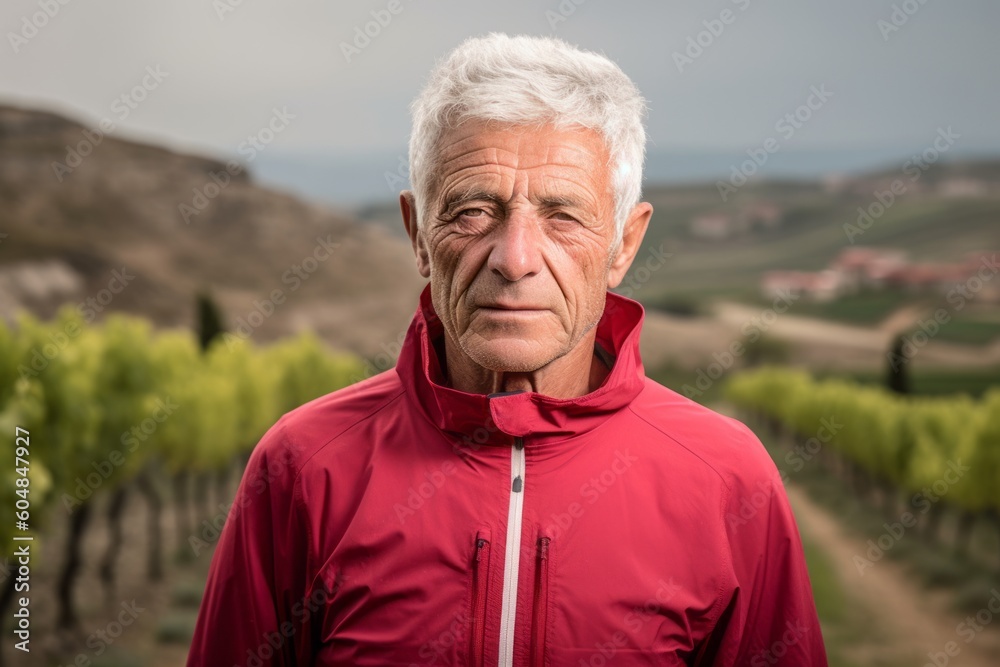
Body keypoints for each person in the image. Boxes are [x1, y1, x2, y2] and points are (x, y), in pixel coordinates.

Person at [187, 33, 829, 666]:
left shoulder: (727, 478)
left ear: (623, 246)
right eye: (472, 211)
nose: (515, 259)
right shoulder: (303, 467)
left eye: (564, 216)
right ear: (417, 235)